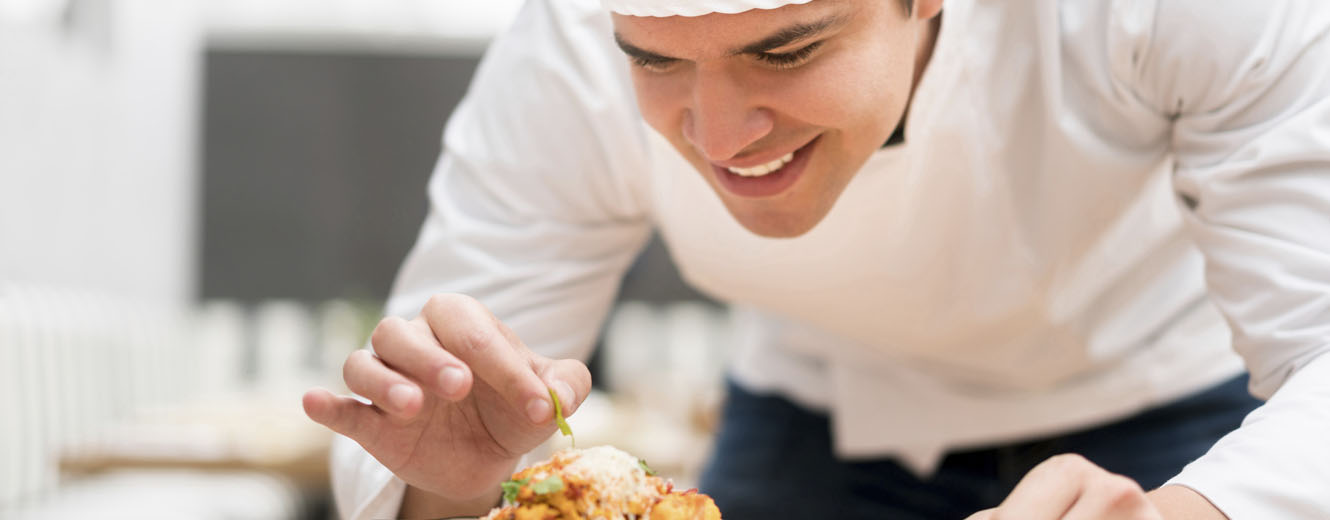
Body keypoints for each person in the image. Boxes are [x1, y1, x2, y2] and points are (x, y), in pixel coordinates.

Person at [301, 0, 1330, 518]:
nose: (718, 132)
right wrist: (447, 485)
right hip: (812, 415)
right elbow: (444, 403)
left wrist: (1203, 508)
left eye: (784, 52)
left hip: (1167, 409)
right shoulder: (566, 50)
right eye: (654, 62)